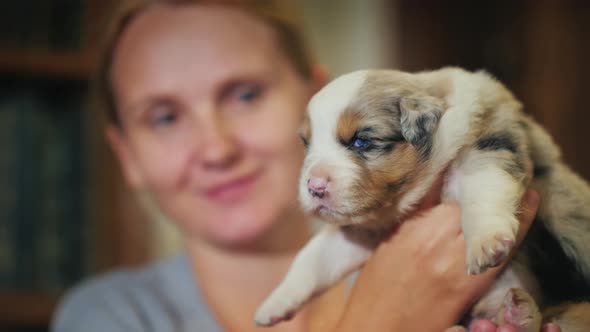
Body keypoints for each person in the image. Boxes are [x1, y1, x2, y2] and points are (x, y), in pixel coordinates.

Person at [50, 1, 559, 331]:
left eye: (245, 94)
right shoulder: (108, 316)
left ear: (320, 96)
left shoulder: (456, 238)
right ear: (127, 156)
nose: (216, 148)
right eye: (164, 117)